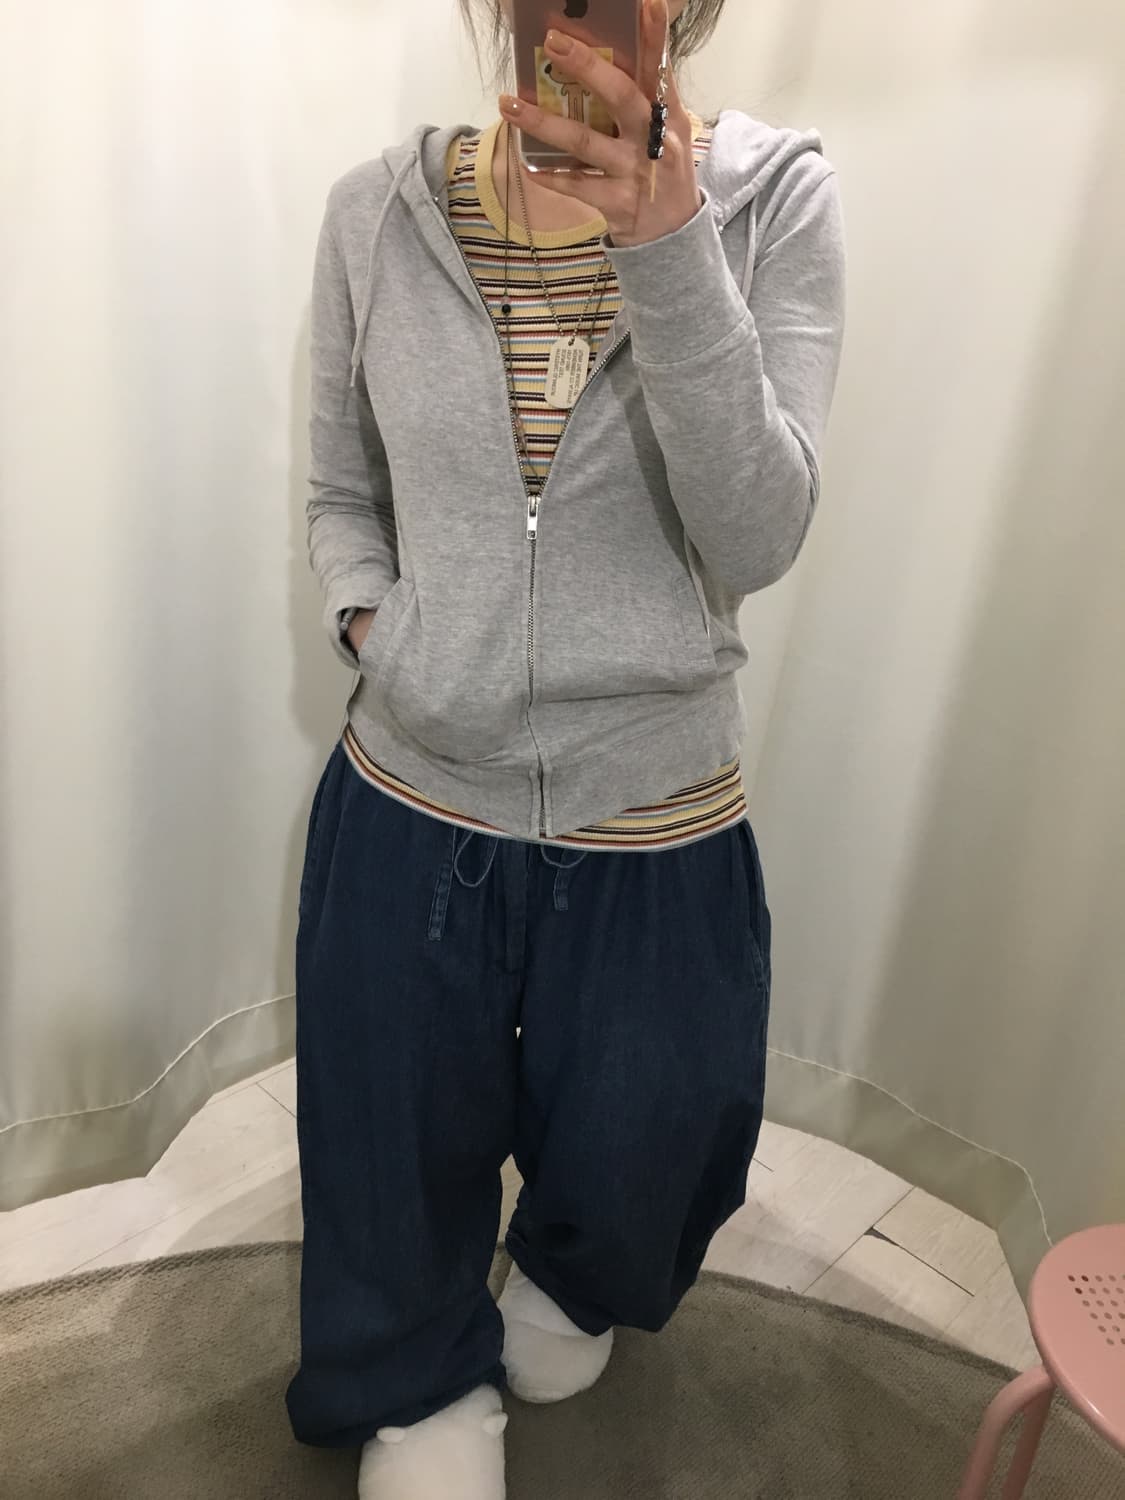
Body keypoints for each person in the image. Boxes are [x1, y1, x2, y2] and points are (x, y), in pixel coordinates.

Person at [285, 0, 846, 1493]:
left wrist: (670, 246)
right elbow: (341, 488)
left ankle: (572, 1276)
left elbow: (760, 532)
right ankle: (416, 1378)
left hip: (656, 804)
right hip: (415, 786)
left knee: (655, 1125)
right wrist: (379, 629)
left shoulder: (774, 201)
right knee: (390, 1132)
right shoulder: (376, 212)